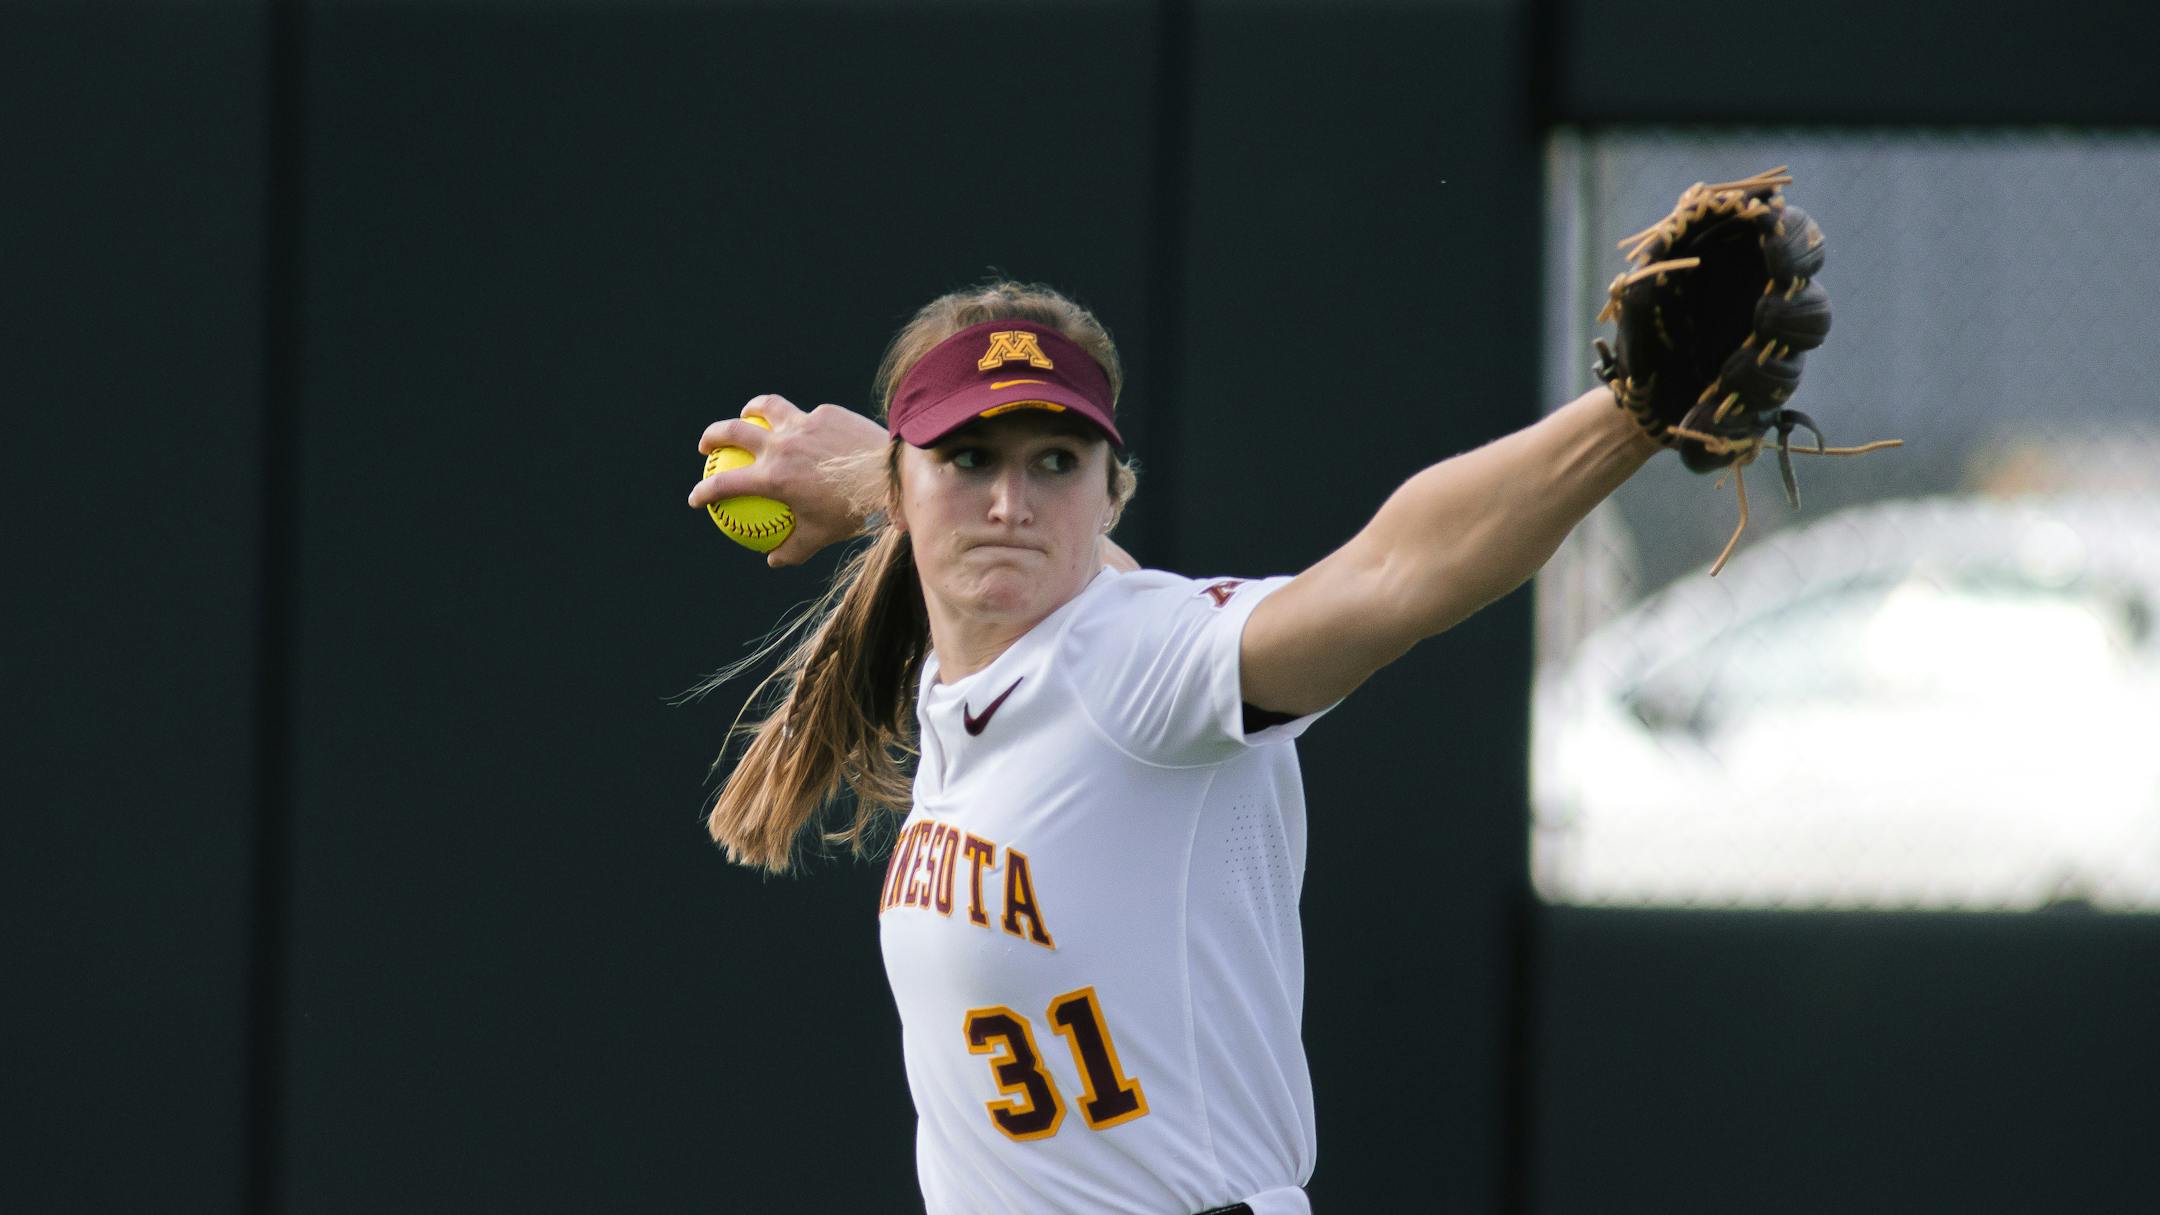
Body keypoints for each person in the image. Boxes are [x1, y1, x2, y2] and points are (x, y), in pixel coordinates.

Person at [685, 281, 1655, 1215]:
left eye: (1057, 461)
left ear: (1113, 494)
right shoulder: (973, 681)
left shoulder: (1142, 668)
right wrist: (871, 476)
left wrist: (1635, 410)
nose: (1011, 504)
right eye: (968, 456)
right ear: (899, 490)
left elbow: (1396, 573)